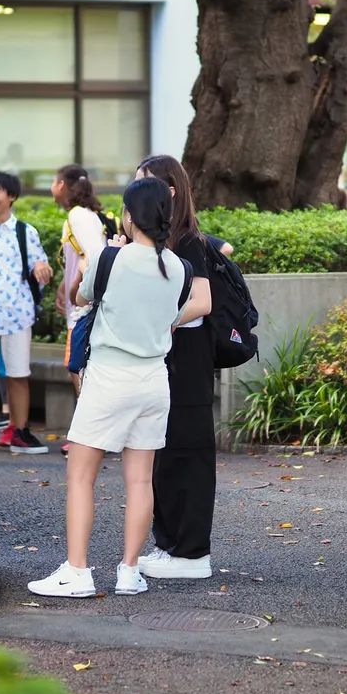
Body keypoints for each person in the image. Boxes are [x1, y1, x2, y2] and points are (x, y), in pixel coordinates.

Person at [28, 177, 196, 598]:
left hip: (109, 378)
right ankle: (129, 571)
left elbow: (79, 297)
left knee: (81, 476)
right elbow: (172, 317)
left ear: (129, 215)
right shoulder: (181, 268)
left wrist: (107, 256)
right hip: (154, 380)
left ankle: (78, 572)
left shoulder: (110, 258)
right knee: (140, 481)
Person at [135, 154, 216, 580]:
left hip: (187, 363)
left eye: (143, 184)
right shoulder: (160, 240)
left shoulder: (187, 241)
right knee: (164, 456)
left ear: (168, 191)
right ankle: (170, 546)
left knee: (186, 455)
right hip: (166, 360)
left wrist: (163, 319)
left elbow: (203, 302)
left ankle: (192, 554)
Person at [0, 171, 53, 454]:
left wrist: (41, 267)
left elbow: (39, 261)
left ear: (11, 196)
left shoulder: (25, 232)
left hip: (18, 314)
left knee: (18, 375)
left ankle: (20, 431)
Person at [52, 165, 110, 454]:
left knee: (78, 368)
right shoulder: (85, 214)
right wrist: (64, 287)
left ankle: (87, 437)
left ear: (62, 185)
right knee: (80, 368)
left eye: (54, 182)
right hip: (81, 308)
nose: (53, 187)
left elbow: (94, 257)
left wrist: (74, 288)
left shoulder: (77, 215)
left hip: (83, 311)